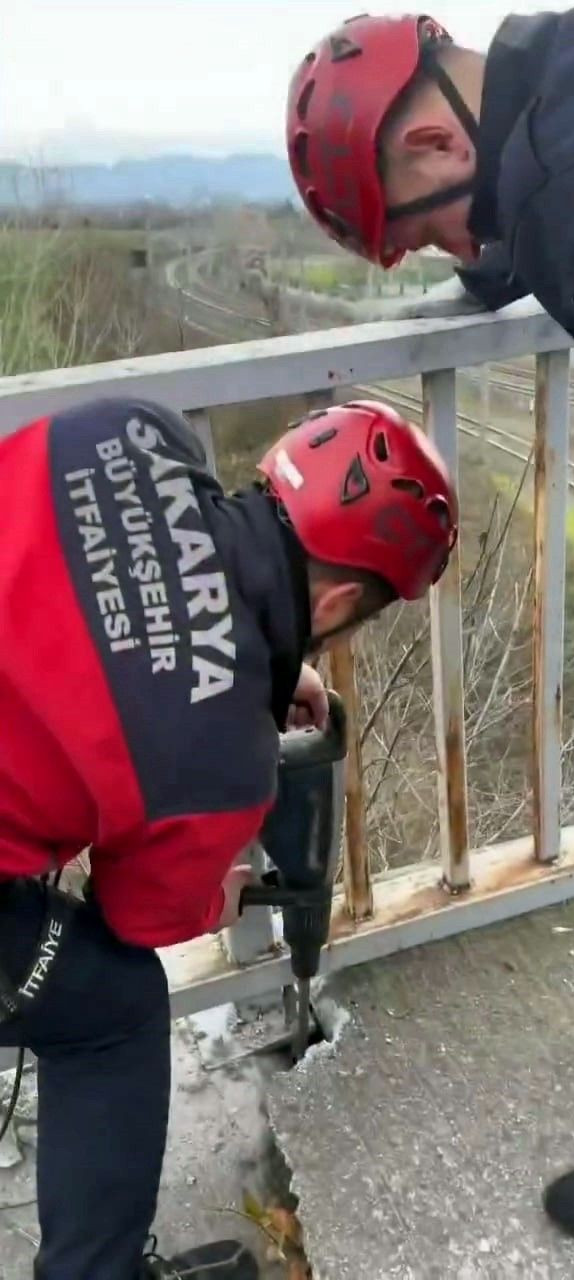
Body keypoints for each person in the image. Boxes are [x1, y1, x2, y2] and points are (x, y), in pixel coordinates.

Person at [287, 2, 574, 1246]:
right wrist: (497, 254)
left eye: (426, 237)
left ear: (430, 142)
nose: (447, 254)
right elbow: (549, 198)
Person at [0, 394, 458, 1279]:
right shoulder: (220, 766)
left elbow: (133, 601)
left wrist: (253, 677)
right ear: (338, 603)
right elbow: (137, 915)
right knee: (113, 1008)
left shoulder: (131, 428)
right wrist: (219, 869)